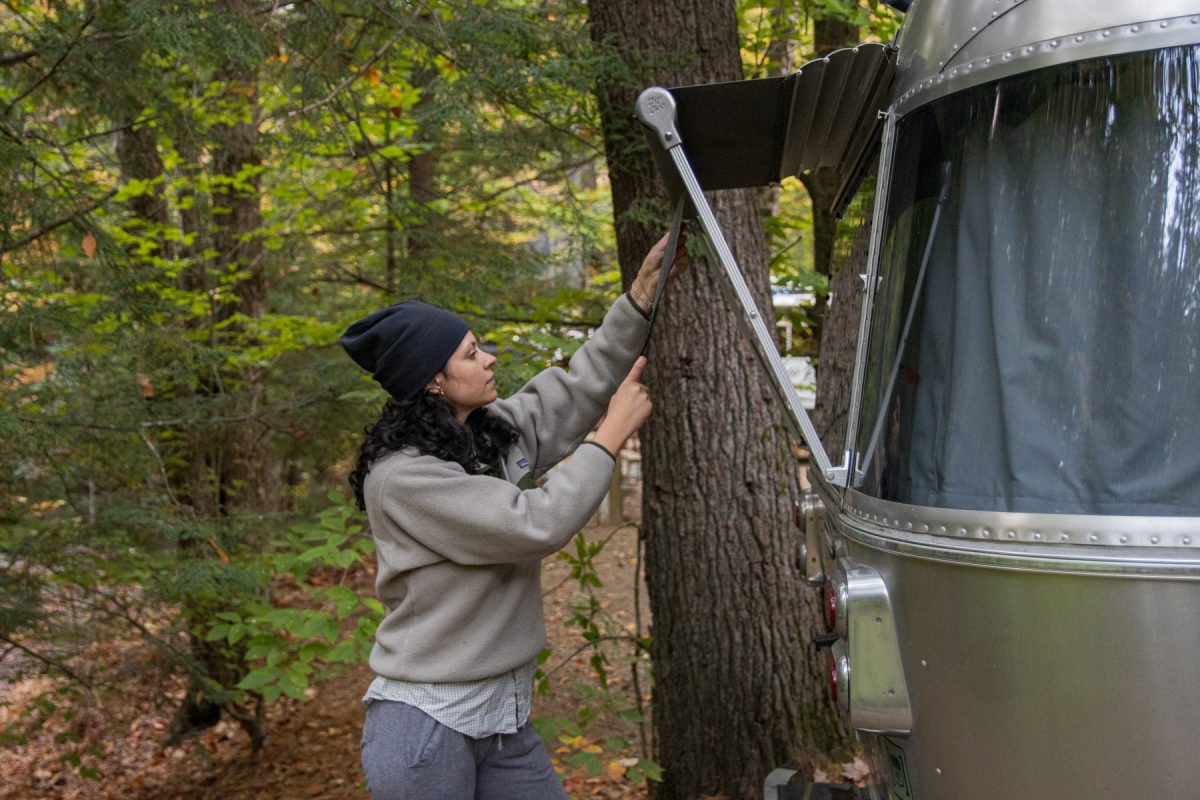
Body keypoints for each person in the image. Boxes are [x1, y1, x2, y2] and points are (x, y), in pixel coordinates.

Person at [340, 234, 688, 800]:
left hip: (504, 719)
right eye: (471, 354)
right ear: (433, 380)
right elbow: (533, 523)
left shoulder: (487, 432)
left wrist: (640, 297)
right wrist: (608, 440)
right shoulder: (403, 478)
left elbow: (576, 388)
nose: (489, 358)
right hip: (429, 728)